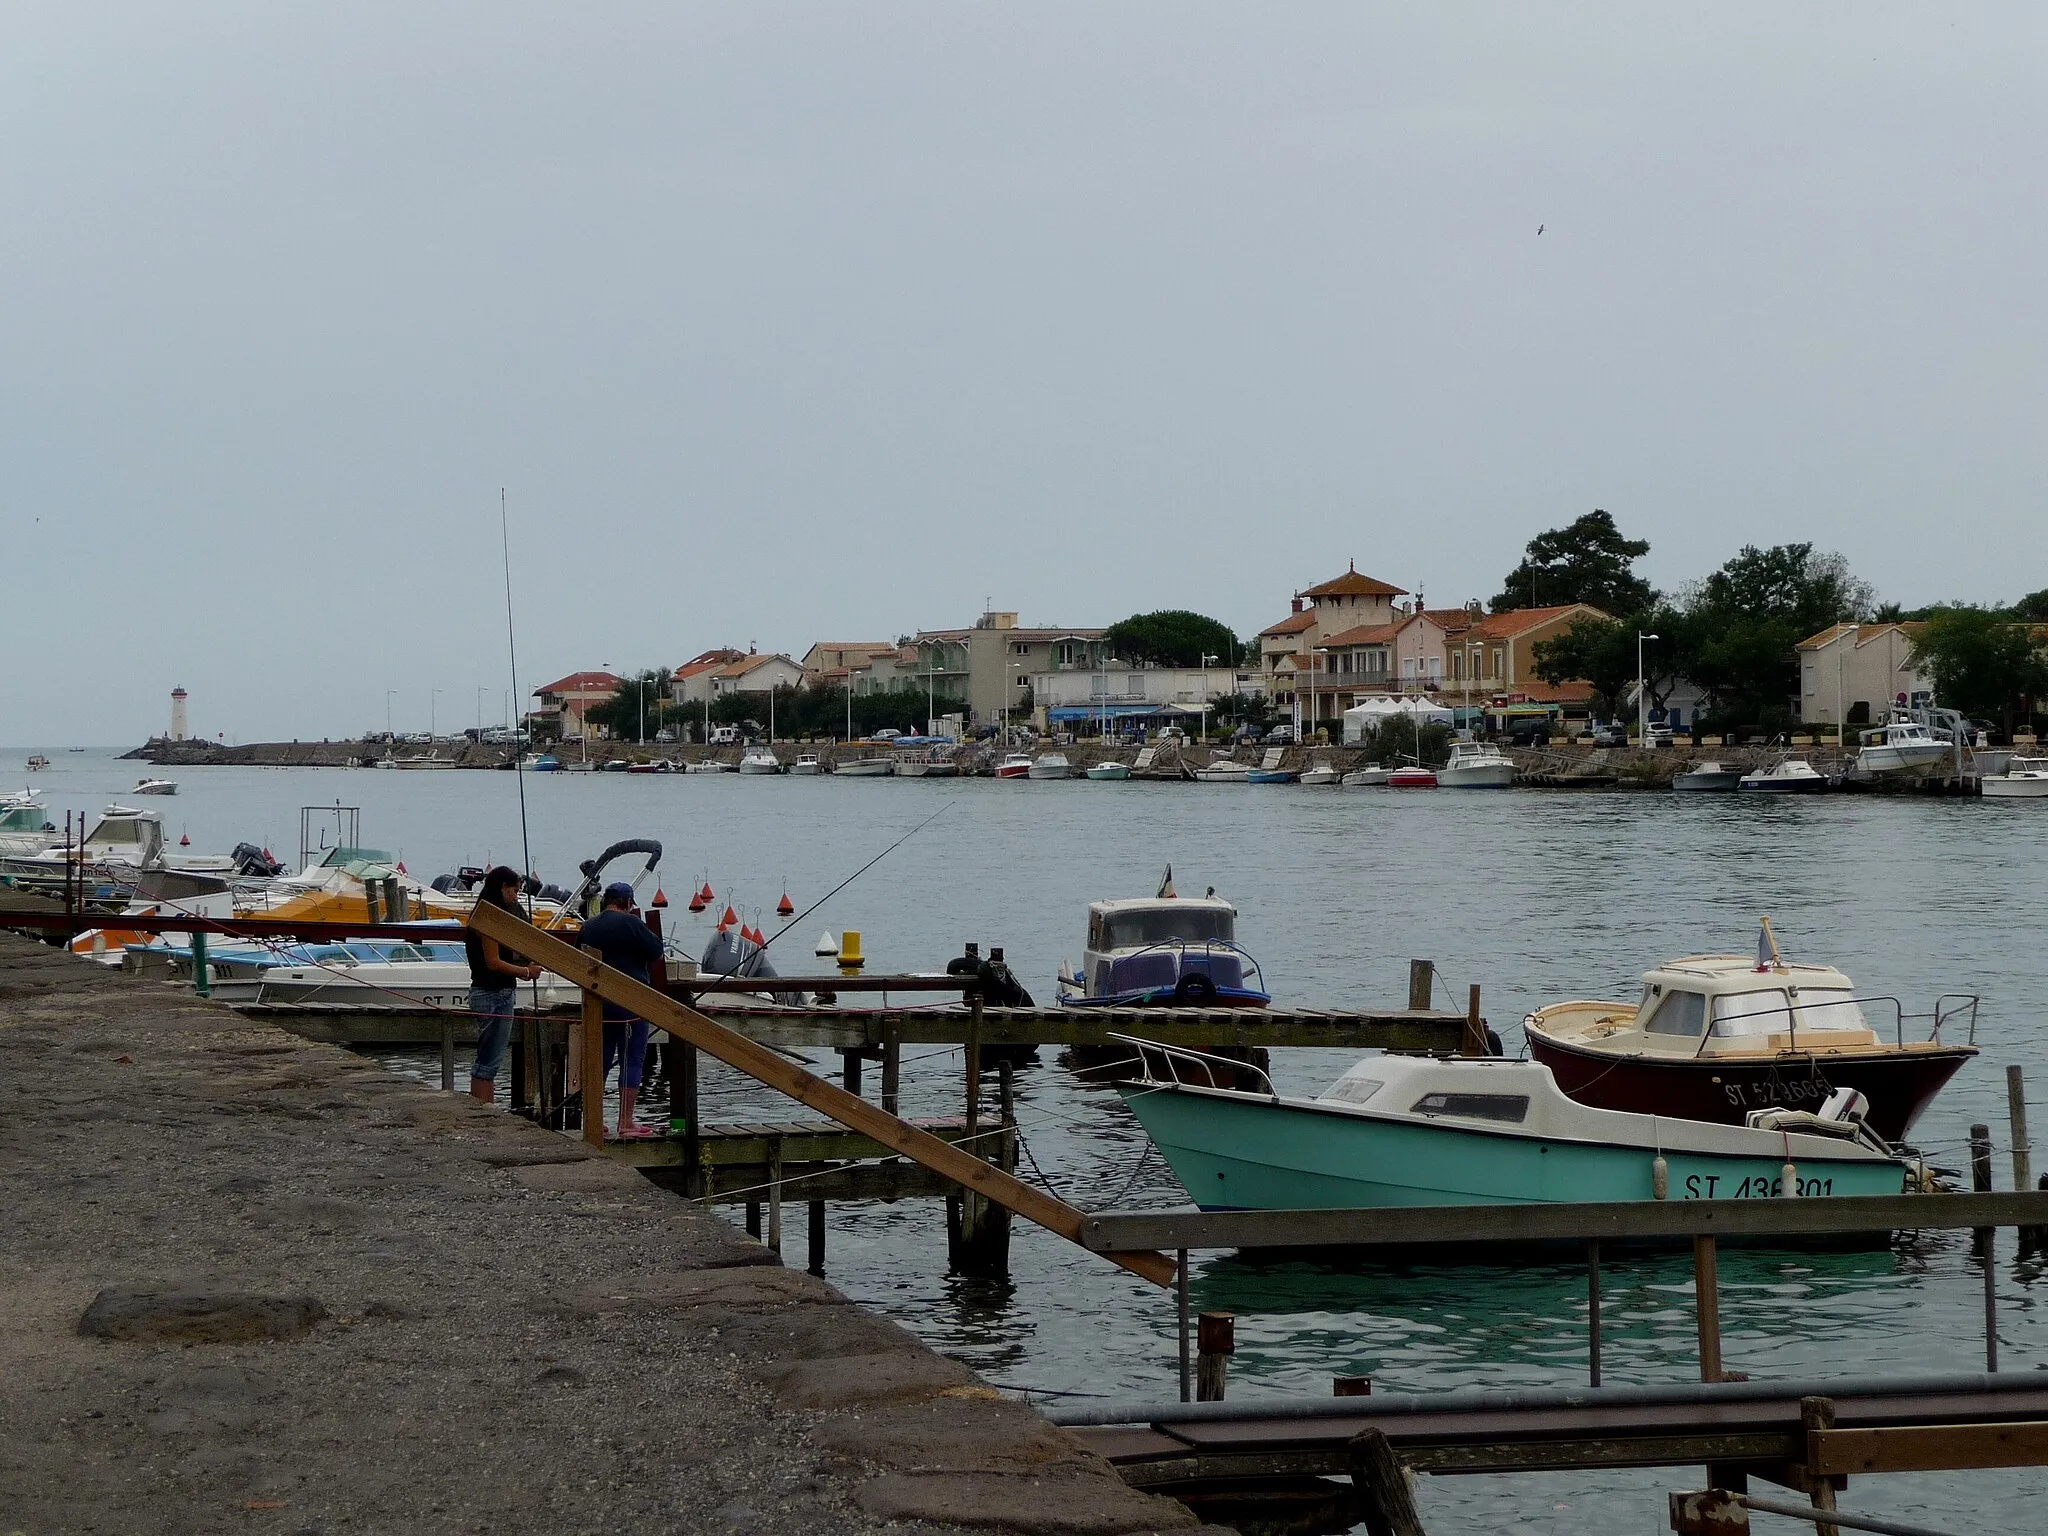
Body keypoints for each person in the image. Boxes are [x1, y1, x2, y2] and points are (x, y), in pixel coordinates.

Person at [578, 881, 665, 1138]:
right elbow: (657, 952)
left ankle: (594, 1119)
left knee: (600, 1059)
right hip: (631, 1001)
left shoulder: (588, 926)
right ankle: (625, 1121)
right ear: (628, 903)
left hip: (598, 1002)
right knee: (632, 1059)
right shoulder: (633, 924)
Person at [465, 865, 541, 1103]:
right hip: (493, 993)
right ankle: (484, 1113)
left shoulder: (485, 914)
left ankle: (482, 1108)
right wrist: (526, 972)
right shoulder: (489, 919)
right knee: (488, 1063)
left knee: (488, 1060)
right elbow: (493, 962)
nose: (516, 897)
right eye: (515, 891)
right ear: (503, 888)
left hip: (490, 992)